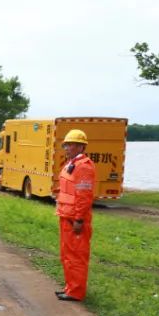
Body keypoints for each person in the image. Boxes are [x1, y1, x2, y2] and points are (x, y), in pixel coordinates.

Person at [55, 129, 96, 302]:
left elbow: (84, 196)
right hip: (67, 216)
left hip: (75, 220)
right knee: (66, 255)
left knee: (76, 256)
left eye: (70, 144)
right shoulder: (72, 164)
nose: (66, 148)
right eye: (66, 145)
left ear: (80, 146)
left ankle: (76, 291)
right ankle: (70, 286)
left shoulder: (84, 167)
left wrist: (79, 219)